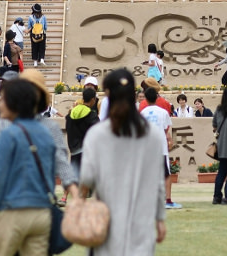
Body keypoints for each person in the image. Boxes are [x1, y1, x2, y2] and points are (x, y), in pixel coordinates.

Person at [79, 69, 166, 255]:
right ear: (134, 94)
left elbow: (86, 178)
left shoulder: (96, 135)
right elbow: (158, 182)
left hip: (105, 224)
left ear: (107, 94)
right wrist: (159, 218)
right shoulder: (153, 135)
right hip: (141, 225)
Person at [0, 79, 57, 256]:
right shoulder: (46, 133)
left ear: (15, 103)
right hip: (41, 213)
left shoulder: (9, 133)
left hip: (13, 212)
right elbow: (50, 173)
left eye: (3, 99)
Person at [141, 88, 180, 209]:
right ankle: (167, 200)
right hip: (160, 147)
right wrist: (169, 140)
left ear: (146, 99)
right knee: (166, 174)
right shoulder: (163, 112)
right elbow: (166, 129)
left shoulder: (142, 113)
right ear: (157, 97)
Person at [65, 87, 100, 179]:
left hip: (73, 149)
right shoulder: (91, 115)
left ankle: (67, 193)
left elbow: (68, 127)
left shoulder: (72, 112)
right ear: (93, 99)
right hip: (87, 150)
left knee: (74, 177)